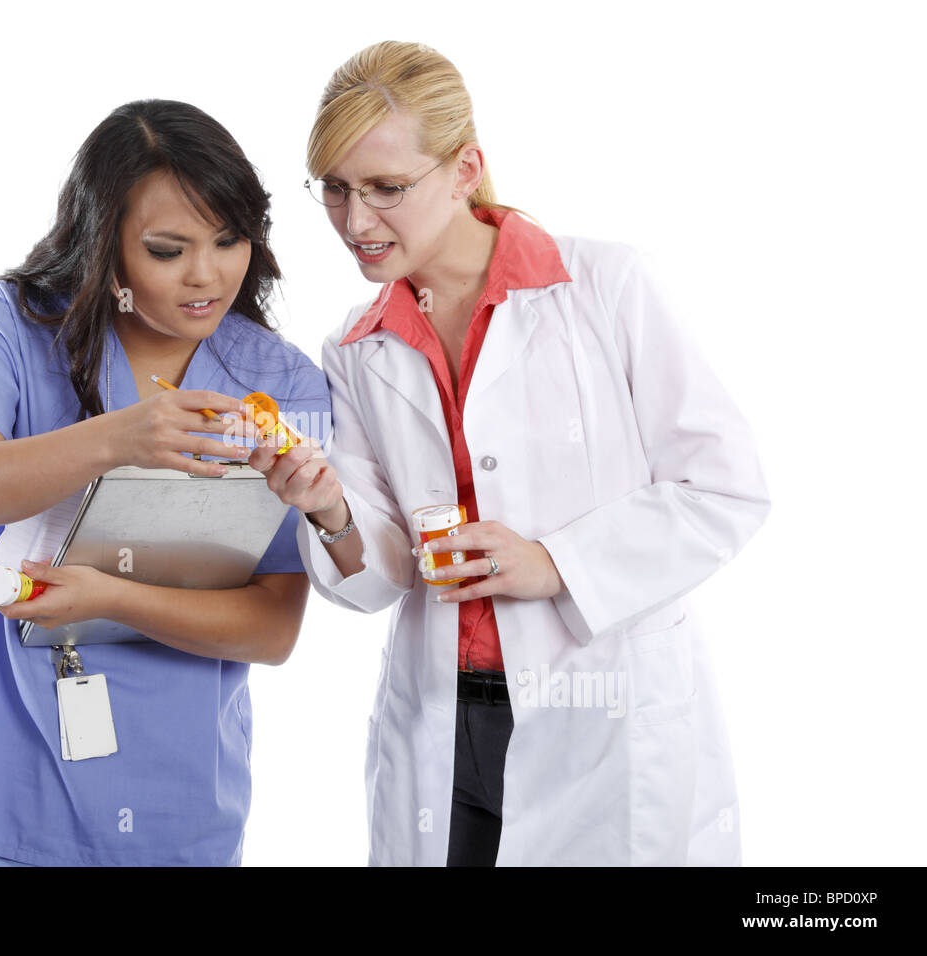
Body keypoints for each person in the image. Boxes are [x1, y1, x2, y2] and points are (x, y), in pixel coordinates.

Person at [249, 41, 771, 866]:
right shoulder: (354, 346)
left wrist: (554, 561)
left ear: (464, 170)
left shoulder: (606, 288)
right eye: (336, 190)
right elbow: (383, 576)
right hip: (441, 723)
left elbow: (724, 488)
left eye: (387, 189)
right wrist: (330, 508)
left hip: (603, 718)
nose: (355, 221)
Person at [0, 99, 331, 866]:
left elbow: (274, 629)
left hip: (181, 804)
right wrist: (121, 437)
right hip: (5, 792)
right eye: (168, 250)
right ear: (104, 246)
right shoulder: (4, 323)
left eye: (230, 240)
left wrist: (111, 599)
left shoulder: (276, 380)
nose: (207, 276)